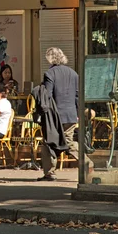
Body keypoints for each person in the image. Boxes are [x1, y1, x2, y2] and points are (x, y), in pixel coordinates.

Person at [38, 47, 84, 182]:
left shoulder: (49, 74)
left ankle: (50, 173)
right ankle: (87, 164)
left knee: (48, 142)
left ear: (50, 59)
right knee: (69, 141)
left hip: (55, 116)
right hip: (71, 115)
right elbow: (77, 95)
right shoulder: (73, 73)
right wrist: (78, 112)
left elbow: (48, 96)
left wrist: (44, 113)